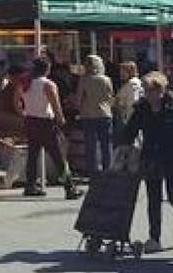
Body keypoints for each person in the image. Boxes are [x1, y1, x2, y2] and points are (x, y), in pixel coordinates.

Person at [122, 72, 173, 253]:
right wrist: (124, 149)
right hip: (151, 158)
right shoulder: (142, 108)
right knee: (153, 199)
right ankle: (154, 239)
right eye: (146, 90)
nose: (149, 94)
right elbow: (129, 132)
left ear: (162, 90)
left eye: (153, 90)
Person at [16, 58, 80, 200]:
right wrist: (61, 120)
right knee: (58, 156)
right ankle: (70, 187)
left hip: (30, 120)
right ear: (47, 69)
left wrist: (24, 113)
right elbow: (56, 105)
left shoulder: (25, 82)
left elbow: (15, 102)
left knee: (33, 155)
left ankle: (30, 185)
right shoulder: (48, 85)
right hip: (46, 122)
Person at [76, 54, 115, 177]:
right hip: (105, 113)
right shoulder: (106, 79)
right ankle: (107, 170)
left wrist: (79, 108)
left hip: (88, 115)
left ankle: (93, 172)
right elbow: (110, 97)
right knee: (106, 144)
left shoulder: (84, 80)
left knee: (90, 145)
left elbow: (78, 99)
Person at [113, 61, 143, 140]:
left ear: (130, 72)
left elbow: (133, 100)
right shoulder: (134, 82)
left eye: (123, 71)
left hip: (129, 117)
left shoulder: (132, 84)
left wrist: (120, 105)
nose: (121, 74)